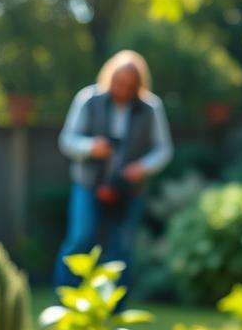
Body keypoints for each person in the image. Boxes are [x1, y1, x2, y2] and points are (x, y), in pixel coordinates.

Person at [54, 50, 173, 289]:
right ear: (109, 77)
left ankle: (114, 312)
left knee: (122, 249)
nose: (123, 90)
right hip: (88, 185)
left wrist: (143, 167)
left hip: (129, 190)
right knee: (80, 240)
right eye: (119, 83)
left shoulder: (151, 107)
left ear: (139, 85)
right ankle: (66, 308)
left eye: (130, 86)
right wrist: (90, 147)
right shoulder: (88, 99)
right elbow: (67, 140)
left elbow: (164, 150)